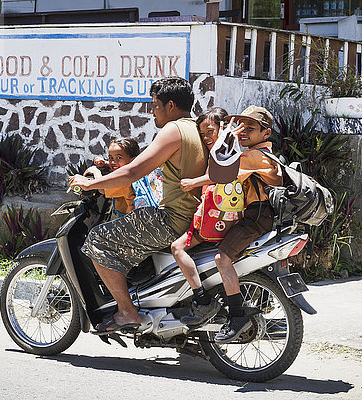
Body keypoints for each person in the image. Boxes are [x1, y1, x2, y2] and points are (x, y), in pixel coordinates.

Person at [68, 76, 208, 333]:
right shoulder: (196, 128)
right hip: (193, 216)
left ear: (170, 105)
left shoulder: (173, 130)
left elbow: (133, 171)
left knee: (97, 240)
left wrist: (90, 185)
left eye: (155, 105)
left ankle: (127, 312)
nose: (151, 111)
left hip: (171, 218)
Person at [211, 105, 283, 344]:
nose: (242, 132)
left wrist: (190, 182)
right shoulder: (262, 154)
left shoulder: (253, 156)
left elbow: (219, 174)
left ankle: (236, 315)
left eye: (249, 128)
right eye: (239, 126)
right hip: (257, 215)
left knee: (222, 258)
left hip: (256, 217)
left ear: (266, 133)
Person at [170, 107, 243, 326]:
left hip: (213, 221)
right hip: (228, 217)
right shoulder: (232, 148)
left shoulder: (225, 150)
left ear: (223, 127)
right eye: (203, 134)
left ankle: (202, 299)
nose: (206, 138)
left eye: (210, 131)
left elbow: (220, 176)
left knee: (177, 248)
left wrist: (193, 183)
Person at [84, 138, 160, 217]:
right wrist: (105, 164)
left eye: (119, 158)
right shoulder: (140, 170)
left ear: (133, 160)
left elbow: (102, 188)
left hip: (129, 219)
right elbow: (122, 166)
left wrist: (95, 171)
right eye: (111, 158)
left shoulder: (124, 180)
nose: (113, 162)